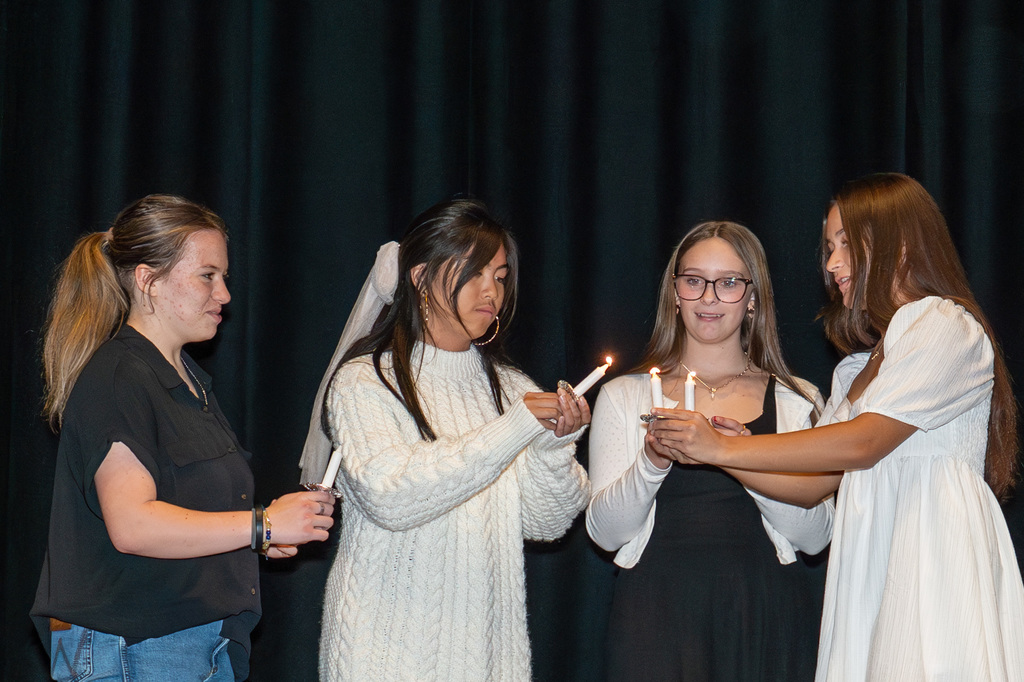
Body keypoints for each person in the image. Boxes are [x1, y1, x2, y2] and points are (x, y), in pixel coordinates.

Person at [651, 173, 1024, 680]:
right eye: (828, 247)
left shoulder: (942, 325)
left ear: (903, 241)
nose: (831, 265)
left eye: (848, 243)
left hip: (931, 554)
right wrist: (725, 452)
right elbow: (812, 486)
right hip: (873, 562)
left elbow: (863, 443)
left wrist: (721, 447)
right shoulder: (857, 368)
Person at [32, 195, 336, 682]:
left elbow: (183, 514)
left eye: (224, 278)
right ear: (148, 280)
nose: (224, 295)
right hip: (135, 647)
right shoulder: (119, 375)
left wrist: (260, 535)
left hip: (193, 644)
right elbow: (132, 525)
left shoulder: (187, 381)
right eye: (207, 276)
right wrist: (259, 526)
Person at [301, 198, 591, 681]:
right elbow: (389, 495)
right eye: (474, 271)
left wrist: (553, 446)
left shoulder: (514, 388)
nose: (491, 290)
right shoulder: (366, 381)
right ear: (419, 277)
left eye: (499, 276)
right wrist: (514, 428)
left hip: (489, 661)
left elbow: (546, 523)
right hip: (382, 659)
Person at [586, 221, 835, 680]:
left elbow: (816, 536)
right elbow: (605, 533)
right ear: (674, 293)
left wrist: (733, 455)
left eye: (729, 283)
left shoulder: (798, 399)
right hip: (655, 618)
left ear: (753, 296)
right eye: (694, 280)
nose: (709, 297)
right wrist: (652, 461)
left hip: (765, 614)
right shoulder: (624, 395)